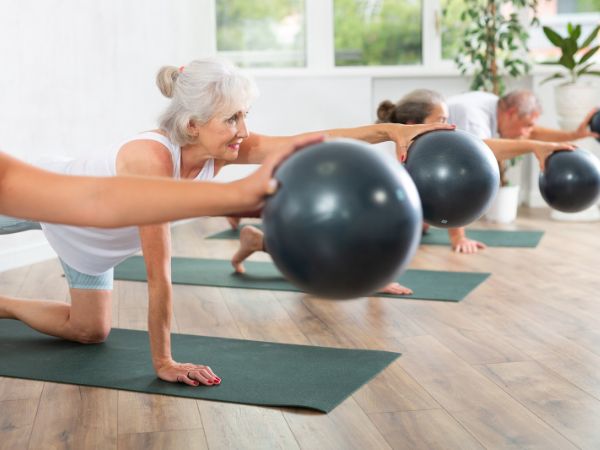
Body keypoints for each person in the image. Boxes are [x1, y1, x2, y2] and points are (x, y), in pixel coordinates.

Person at [0, 57, 454, 386]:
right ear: (193, 124)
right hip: (52, 198)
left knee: (90, 331)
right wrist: (164, 360)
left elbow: (312, 141)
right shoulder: (149, 160)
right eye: (232, 118)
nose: (243, 129)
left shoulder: (227, 146)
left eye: (245, 115)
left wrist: (390, 132)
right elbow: (159, 275)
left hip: (98, 239)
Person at [229, 88, 578, 295]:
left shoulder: (429, 143)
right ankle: (257, 234)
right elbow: (477, 156)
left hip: (358, 206)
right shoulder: (414, 151)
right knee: (348, 245)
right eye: (440, 120)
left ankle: (258, 239)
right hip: (343, 204)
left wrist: (543, 143)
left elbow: (480, 150)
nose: (447, 127)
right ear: (413, 126)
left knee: (384, 230)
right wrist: (457, 234)